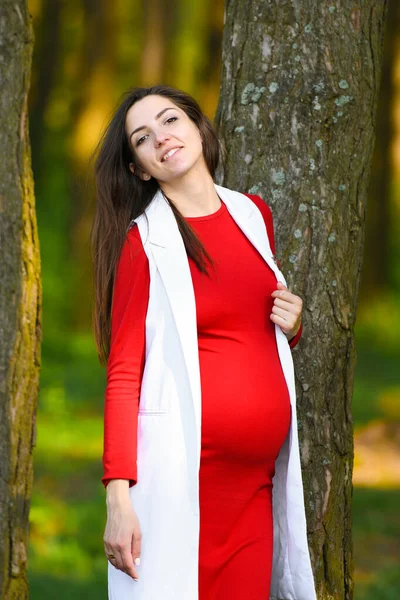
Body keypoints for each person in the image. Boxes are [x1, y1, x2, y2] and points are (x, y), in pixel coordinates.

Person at [90, 85, 316, 600]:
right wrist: (118, 499)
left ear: (197, 126)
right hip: (184, 482)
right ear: (140, 168)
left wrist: (293, 323)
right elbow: (125, 372)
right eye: (143, 139)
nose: (162, 138)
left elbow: (251, 329)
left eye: (170, 120)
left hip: (256, 486)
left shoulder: (253, 214)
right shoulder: (142, 245)